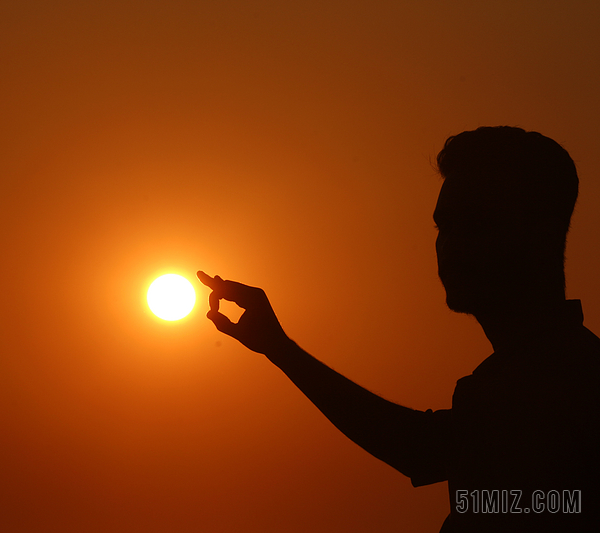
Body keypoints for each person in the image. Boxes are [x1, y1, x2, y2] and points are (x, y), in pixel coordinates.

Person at [198, 126, 600, 532]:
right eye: (444, 226)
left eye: (475, 225)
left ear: (540, 235)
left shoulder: (567, 386)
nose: (450, 245)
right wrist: (278, 347)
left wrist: (280, 348)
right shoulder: (520, 381)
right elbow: (422, 446)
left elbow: (423, 449)